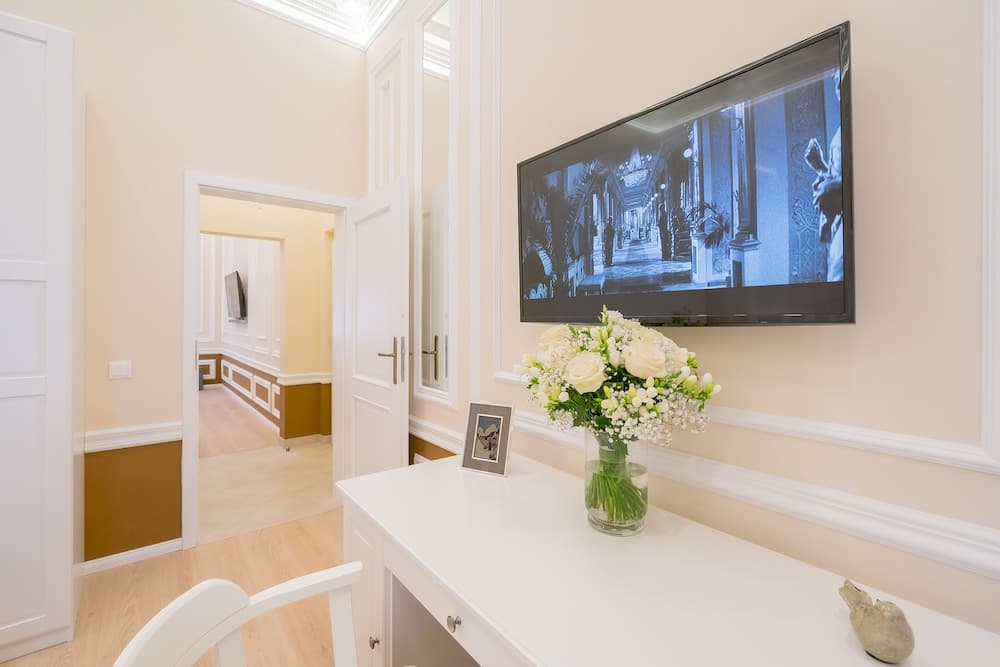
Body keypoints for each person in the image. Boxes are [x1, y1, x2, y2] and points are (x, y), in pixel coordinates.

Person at [804, 69, 844, 282]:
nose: (840, 89)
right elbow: (839, 177)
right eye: (837, 85)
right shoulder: (840, 132)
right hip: (840, 227)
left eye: (843, 82)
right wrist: (819, 166)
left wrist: (834, 187)